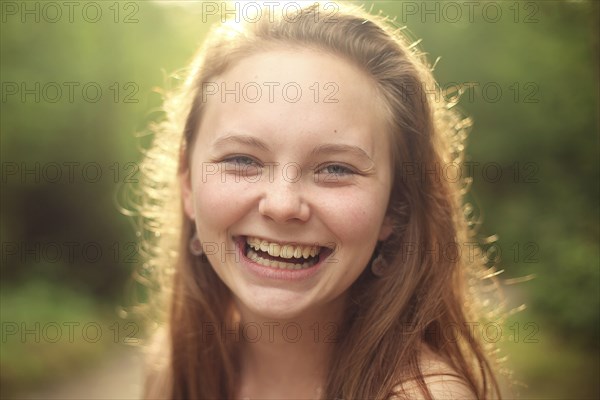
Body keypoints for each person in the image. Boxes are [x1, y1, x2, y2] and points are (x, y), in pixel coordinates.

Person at [137, 2, 503, 399]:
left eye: (335, 169)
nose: (281, 205)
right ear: (188, 183)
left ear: (395, 206)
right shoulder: (175, 368)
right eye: (242, 159)